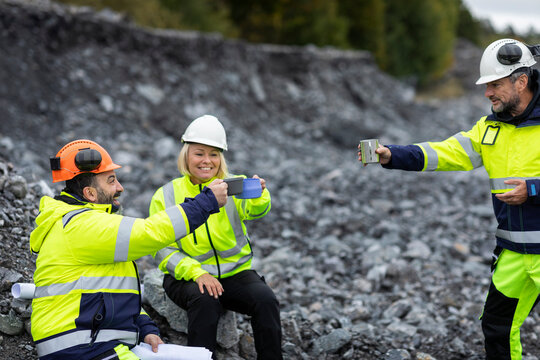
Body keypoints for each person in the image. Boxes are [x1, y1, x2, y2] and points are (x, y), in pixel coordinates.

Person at [358, 38, 540, 360]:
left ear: (521, 81)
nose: (487, 93)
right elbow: (446, 151)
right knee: (497, 329)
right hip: (514, 255)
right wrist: (391, 155)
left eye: (495, 85)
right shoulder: (489, 130)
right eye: (486, 86)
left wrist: (533, 189)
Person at [30, 139, 228, 360]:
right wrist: (205, 202)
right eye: (111, 180)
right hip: (80, 349)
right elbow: (148, 233)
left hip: (91, 343)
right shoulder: (82, 225)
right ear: (90, 194)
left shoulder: (86, 227)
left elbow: (110, 291)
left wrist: (144, 327)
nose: (120, 188)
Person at [149, 115, 283, 359]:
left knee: (266, 300)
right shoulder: (166, 195)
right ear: (186, 155)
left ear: (221, 157)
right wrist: (197, 273)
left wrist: (260, 194)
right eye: (199, 153)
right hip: (186, 277)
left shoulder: (234, 186)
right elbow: (161, 249)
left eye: (214, 154)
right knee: (206, 300)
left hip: (234, 275)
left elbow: (256, 211)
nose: (206, 161)